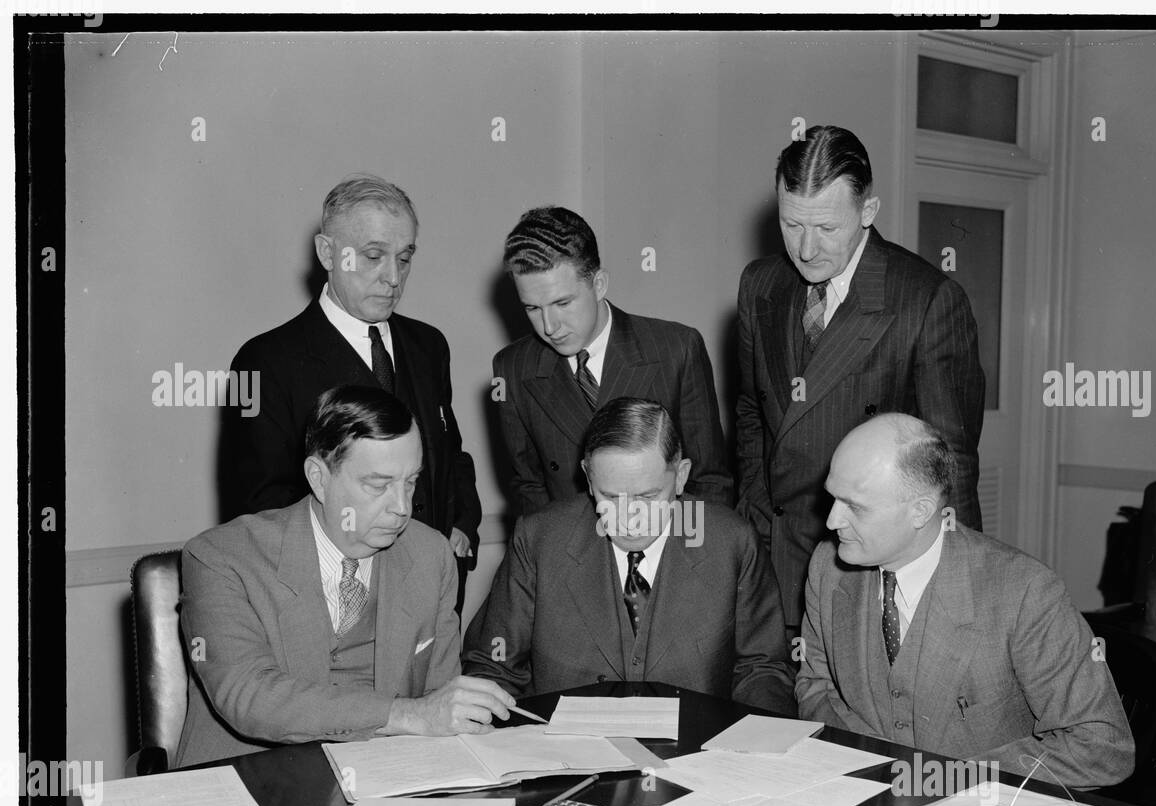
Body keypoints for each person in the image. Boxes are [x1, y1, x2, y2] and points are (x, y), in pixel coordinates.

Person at [177, 387, 513, 768]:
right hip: (251, 781)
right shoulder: (222, 557)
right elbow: (250, 696)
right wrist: (407, 715)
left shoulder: (430, 555)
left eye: (410, 481)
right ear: (319, 478)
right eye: (378, 485)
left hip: (385, 779)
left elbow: (439, 696)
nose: (402, 508)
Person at [797, 413, 1134, 789]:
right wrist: (869, 764)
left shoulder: (1023, 592)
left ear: (920, 511)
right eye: (832, 498)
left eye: (854, 506)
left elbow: (1102, 747)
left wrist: (949, 780)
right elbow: (815, 684)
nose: (830, 521)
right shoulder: (829, 567)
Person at [736, 125, 986, 629]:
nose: (806, 249)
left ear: (867, 212)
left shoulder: (926, 300)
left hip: (864, 565)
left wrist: (957, 598)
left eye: (827, 228)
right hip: (768, 558)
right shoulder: (759, 283)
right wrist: (754, 519)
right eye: (791, 225)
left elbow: (950, 463)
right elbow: (749, 414)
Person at [220, 174, 481, 610]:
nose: (393, 277)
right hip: (338, 602)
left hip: (432, 594)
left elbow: (449, 454)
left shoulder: (428, 345)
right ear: (327, 252)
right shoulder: (265, 360)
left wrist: (463, 526)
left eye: (405, 257)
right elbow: (260, 508)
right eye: (373, 256)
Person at [463, 397, 793, 713]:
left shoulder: (731, 541)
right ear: (588, 479)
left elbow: (761, 669)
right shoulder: (540, 540)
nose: (629, 518)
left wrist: (757, 743)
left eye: (648, 497)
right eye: (610, 497)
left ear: (680, 476)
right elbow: (493, 667)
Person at [493, 205, 732, 515]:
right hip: (571, 553)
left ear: (599, 284)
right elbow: (529, 490)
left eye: (562, 303)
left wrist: (686, 559)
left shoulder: (676, 350)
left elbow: (709, 482)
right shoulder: (512, 369)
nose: (549, 327)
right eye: (532, 309)